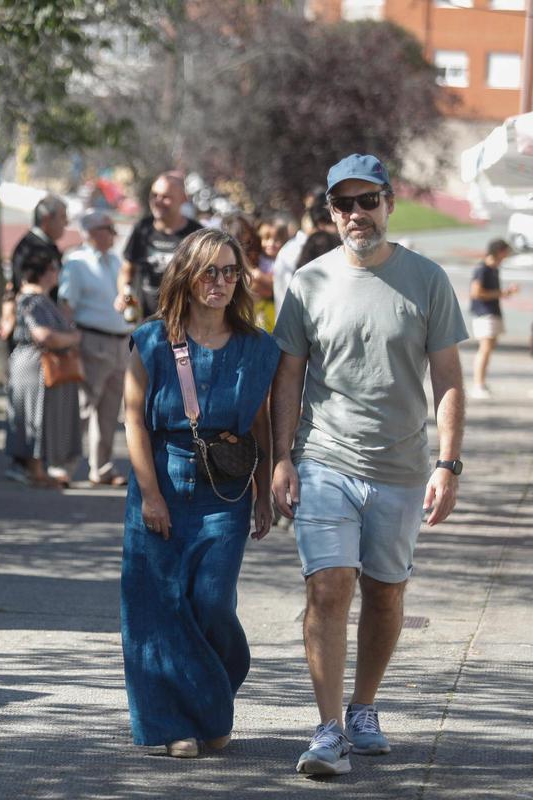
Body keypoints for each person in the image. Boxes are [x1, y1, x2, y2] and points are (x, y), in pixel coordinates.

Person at [272, 154, 467, 776]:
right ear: (331, 213)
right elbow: (288, 381)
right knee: (328, 588)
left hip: (403, 467)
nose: (357, 214)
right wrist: (282, 458)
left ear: (388, 203)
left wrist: (449, 464)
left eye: (368, 201)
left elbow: (449, 380)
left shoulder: (427, 279)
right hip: (325, 455)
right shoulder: (308, 283)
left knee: (385, 594)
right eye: (344, 204)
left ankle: (362, 708)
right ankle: (327, 730)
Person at [120, 228, 278, 759]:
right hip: (163, 477)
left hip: (226, 492)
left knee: (210, 603)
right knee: (158, 606)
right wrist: (149, 494)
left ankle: (209, 701)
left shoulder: (258, 349)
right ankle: (176, 724)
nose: (220, 281)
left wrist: (263, 493)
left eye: (230, 271)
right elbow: (133, 419)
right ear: (187, 275)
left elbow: (260, 424)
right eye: (209, 270)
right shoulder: (150, 339)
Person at [58, 209, 132, 487]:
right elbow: (67, 305)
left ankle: (101, 467)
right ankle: (64, 465)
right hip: (91, 340)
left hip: (120, 341)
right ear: (92, 232)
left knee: (110, 410)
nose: (113, 234)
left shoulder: (116, 261)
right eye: (107, 228)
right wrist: (70, 344)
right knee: (83, 408)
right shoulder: (77, 263)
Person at [4, 247, 83, 488]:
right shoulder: (32, 300)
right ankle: (35, 470)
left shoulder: (37, 299)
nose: (57, 273)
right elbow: (44, 335)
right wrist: (73, 338)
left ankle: (37, 469)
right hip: (35, 364)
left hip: (36, 363)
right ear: (44, 272)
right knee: (35, 414)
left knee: (37, 414)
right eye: (53, 268)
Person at [119, 172, 203, 319]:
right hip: (146, 325)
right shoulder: (142, 229)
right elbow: (127, 270)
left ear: (183, 199)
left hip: (184, 325)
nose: (157, 201)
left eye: (166, 197)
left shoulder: (197, 234)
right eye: (154, 195)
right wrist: (123, 295)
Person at [468, 238, 518, 399]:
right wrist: (501, 294)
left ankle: (481, 383)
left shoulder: (494, 269)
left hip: (491, 312)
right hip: (484, 313)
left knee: (488, 348)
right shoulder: (483, 269)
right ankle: (478, 384)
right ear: (499, 251)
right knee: (485, 349)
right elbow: (476, 293)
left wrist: (504, 293)